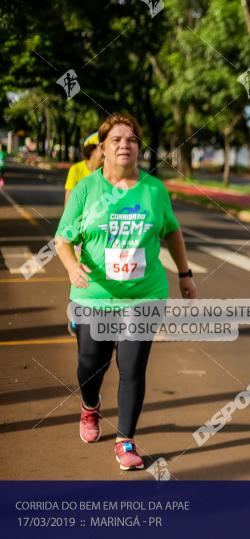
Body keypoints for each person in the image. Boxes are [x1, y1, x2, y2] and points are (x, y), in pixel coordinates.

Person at [55, 113, 197, 471]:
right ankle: (90, 408)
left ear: (139, 148)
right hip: (95, 295)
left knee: (132, 367)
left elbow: (172, 232)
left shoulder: (154, 190)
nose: (124, 145)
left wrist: (185, 273)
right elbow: (63, 238)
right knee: (92, 365)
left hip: (144, 294)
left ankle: (126, 440)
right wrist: (72, 267)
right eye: (116, 140)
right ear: (102, 148)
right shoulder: (87, 189)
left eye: (131, 140)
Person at [65, 132, 103, 204]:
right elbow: (68, 203)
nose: (106, 151)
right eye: (102, 147)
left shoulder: (108, 171)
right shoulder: (76, 169)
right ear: (92, 151)